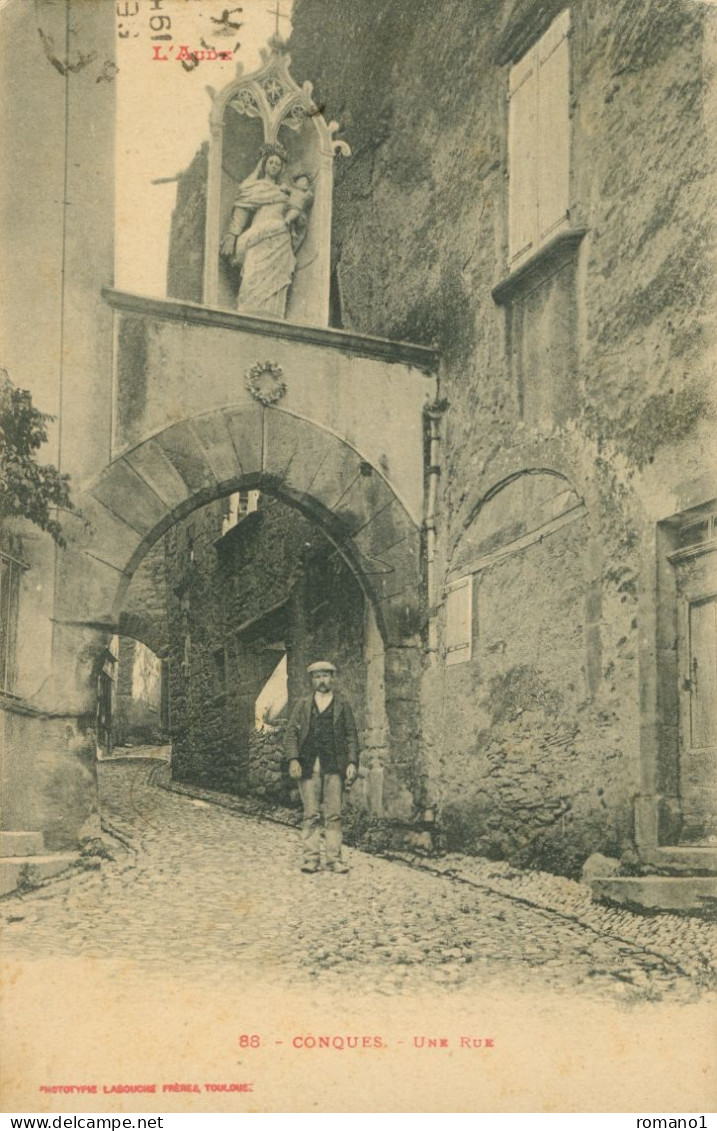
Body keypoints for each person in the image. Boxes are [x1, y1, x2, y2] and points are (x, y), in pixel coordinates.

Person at [284, 661, 359, 874]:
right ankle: (311, 858)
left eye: (325, 676)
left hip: (334, 766)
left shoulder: (342, 704)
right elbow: (291, 734)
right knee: (310, 814)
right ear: (312, 680)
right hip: (308, 766)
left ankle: (334, 859)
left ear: (332, 678)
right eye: (317, 677)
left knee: (334, 815)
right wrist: (293, 759)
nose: (321, 681)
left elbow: (351, 736)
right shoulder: (303, 704)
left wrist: (352, 762)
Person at [220, 142, 307, 318]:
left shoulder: (285, 192)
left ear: (281, 168)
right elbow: (241, 212)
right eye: (271, 163)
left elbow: (297, 213)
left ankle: (273, 315)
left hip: (279, 241)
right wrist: (232, 235)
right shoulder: (255, 187)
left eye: (278, 164)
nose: (274, 166)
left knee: (275, 281)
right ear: (264, 164)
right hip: (258, 238)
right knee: (252, 276)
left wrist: (295, 218)